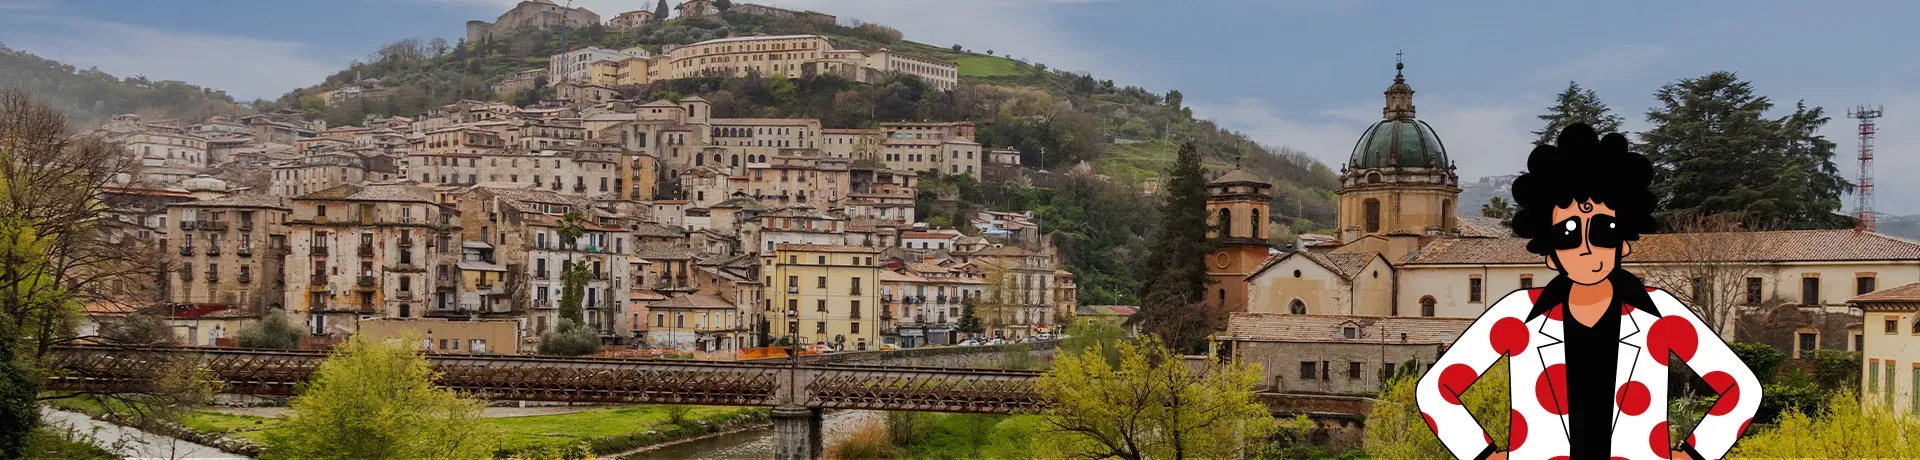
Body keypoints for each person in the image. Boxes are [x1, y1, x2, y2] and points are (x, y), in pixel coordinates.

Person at [1414, 124, 1761, 460]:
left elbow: (1742, 389)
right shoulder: (1517, 315)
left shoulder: (1660, 314)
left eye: (1603, 230)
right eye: (1568, 234)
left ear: (1623, 244)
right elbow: (1435, 391)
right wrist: (1483, 454)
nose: (1585, 247)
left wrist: (1695, 454)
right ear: (1550, 253)